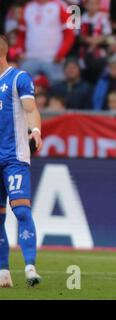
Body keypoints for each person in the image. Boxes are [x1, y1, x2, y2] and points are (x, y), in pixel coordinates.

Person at [0, 35, 43, 288]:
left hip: (14, 158)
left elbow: (30, 109)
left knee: (21, 210)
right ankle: (4, 272)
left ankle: (30, 267)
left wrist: (35, 131)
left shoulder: (18, 78)